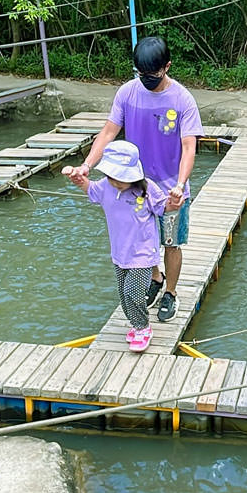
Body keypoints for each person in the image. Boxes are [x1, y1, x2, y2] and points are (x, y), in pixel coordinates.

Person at [69, 37, 201, 323]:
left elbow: (189, 146)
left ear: (167, 67)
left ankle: (171, 292)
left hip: (168, 187)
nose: (146, 80)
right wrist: (87, 165)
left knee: (171, 242)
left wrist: (179, 185)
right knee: (143, 238)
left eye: (152, 75)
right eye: (141, 74)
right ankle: (155, 277)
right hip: (134, 185)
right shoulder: (128, 93)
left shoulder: (182, 100)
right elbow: (108, 133)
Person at [64, 142, 167, 352]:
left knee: (134, 292)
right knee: (123, 293)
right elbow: (91, 189)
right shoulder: (106, 186)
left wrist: (175, 201)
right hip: (120, 253)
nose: (116, 182)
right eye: (113, 176)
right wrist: (78, 179)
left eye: (121, 178)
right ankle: (135, 324)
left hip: (142, 254)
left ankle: (143, 327)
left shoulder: (146, 189)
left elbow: (163, 207)